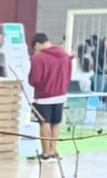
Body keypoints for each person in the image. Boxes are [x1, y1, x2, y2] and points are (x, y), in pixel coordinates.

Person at [27, 33, 73, 162]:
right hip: (61, 94)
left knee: (44, 122)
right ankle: (53, 151)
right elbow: (69, 75)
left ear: (37, 44)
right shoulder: (65, 55)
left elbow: (35, 79)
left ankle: (46, 153)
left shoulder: (39, 57)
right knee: (55, 123)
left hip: (44, 96)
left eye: (35, 48)